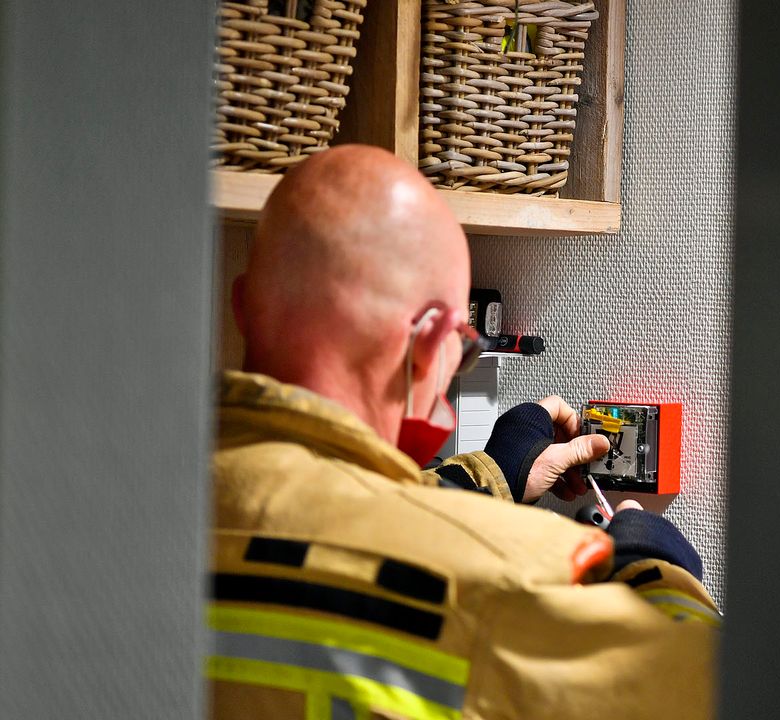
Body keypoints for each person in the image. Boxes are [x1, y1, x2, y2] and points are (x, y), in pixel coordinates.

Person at [210, 144, 719, 720]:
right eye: (465, 348)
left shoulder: (140, 488)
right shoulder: (508, 574)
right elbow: (713, 691)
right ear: (431, 344)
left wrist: (494, 474)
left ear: (242, 307)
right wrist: (657, 568)